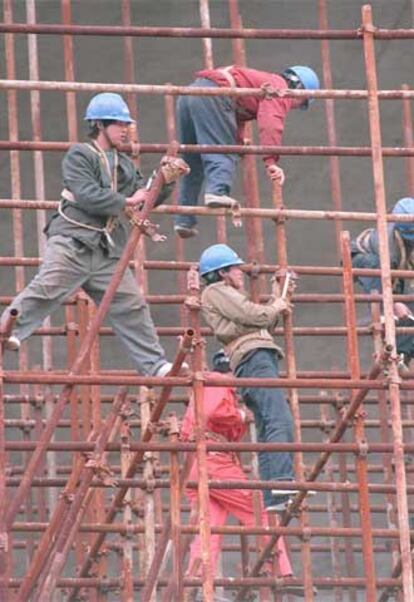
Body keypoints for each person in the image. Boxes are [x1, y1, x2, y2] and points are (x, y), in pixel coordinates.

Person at [2, 92, 188, 378]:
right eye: (118, 123)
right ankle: (7, 333)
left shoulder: (124, 165)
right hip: (73, 241)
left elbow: (144, 199)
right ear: (99, 125)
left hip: (105, 251)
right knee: (47, 287)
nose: (125, 129)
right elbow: (88, 196)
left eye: (127, 124)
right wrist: (126, 201)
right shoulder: (80, 155)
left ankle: (154, 365)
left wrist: (164, 182)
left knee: (131, 305)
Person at [181, 349, 298, 602]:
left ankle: (197, 584)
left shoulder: (207, 385)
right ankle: (280, 568)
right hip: (212, 460)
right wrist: (243, 415)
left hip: (197, 461)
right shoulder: (218, 382)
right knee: (259, 508)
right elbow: (212, 414)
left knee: (208, 527)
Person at [198, 243, 302, 512]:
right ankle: (281, 482)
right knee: (279, 419)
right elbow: (254, 315)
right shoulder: (216, 292)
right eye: (235, 268)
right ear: (222, 273)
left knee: (269, 424)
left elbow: (261, 322)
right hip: (254, 359)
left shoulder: (226, 295)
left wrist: (280, 295)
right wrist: (277, 304)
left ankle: (275, 495)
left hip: (254, 358)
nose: (240, 272)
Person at [174, 64, 320, 238]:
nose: (294, 107)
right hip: (213, 96)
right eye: (301, 103)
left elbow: (233, 115)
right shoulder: (279, 88)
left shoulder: (260, 81)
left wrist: (239, 142)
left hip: (190, 95)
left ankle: (184, 219)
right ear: (299, 89)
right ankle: (217, 191)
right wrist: (271, 161)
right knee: (224, 150)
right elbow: (271, 123)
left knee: (192, 162)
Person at [351, 197, 414, 373]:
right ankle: (385, 316)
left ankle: (401, 353)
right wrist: (394, 304)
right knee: (375, 266)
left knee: (409, 310)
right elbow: (388, 278)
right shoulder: (385, 241)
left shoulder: (406, 242)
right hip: (361, 258)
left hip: (392, 271)